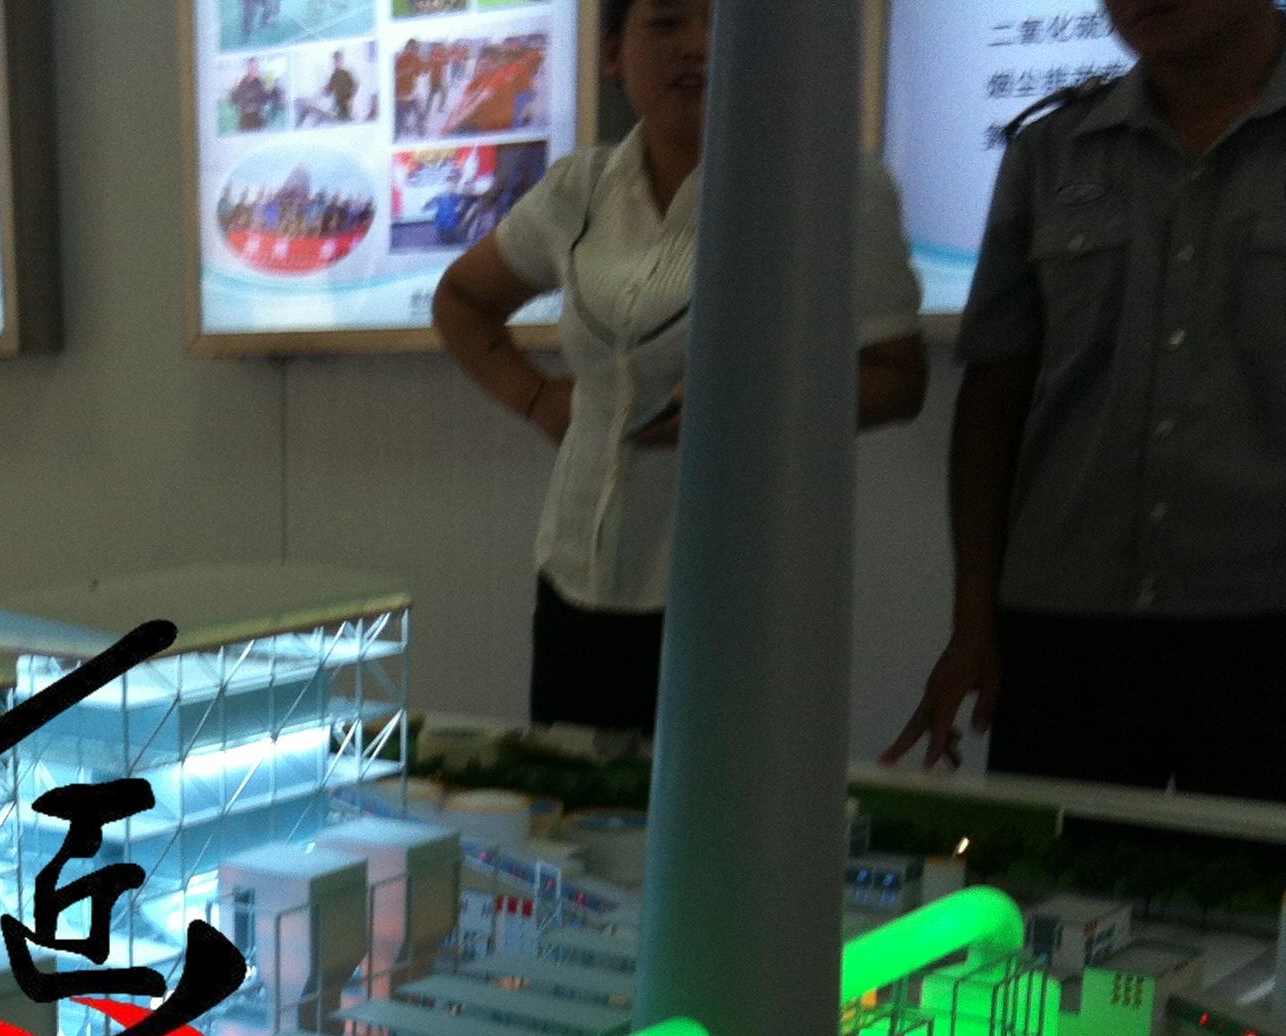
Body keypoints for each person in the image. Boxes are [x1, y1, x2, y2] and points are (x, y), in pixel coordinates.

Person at [431, 0, 929, 739]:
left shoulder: (831, 186)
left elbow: (898, 379)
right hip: (577, 576)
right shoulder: (579, 190)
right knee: (571, 799)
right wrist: (537, 399)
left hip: (742, 594)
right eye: (666, 23)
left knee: (720, 810)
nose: (698, 46)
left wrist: (756, 403)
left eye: (722, 23)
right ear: (613, 54)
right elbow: (463, 300)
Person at [885, 0, 1286, 798]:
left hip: (1267, 621)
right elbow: (995, 397)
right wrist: (973, 623)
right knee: (1053, 872)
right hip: (1066, 626)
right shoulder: (1051, 149)